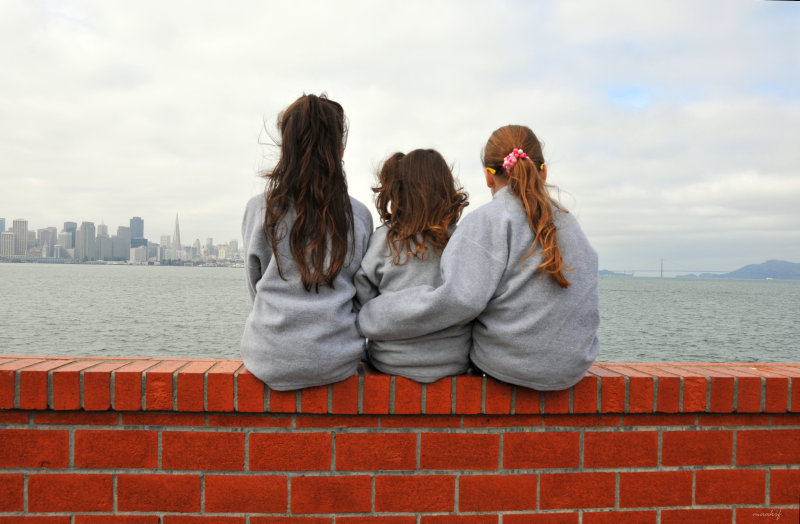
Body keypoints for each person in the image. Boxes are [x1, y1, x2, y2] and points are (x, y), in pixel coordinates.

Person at [357, 125, 599, 390]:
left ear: (488, 177)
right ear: (543, 171)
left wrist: (370, 315)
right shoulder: (571, 224)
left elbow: (460, 300)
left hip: (508, 368)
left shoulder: (487, 221)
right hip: (573, 369)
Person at [241, 94, 373, 391]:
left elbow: (255, 284)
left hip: (267, 357)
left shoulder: (258, 209)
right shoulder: (359, 216)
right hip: (336, 359)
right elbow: (361, 292)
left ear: (285, 149)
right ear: (339, 150)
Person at [354, 149, 470, 382]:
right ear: (446, 188)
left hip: (390, 361)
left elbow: (362, 300)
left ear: (399, 191)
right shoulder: (460, 241)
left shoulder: (382, 240)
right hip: (454, 360)